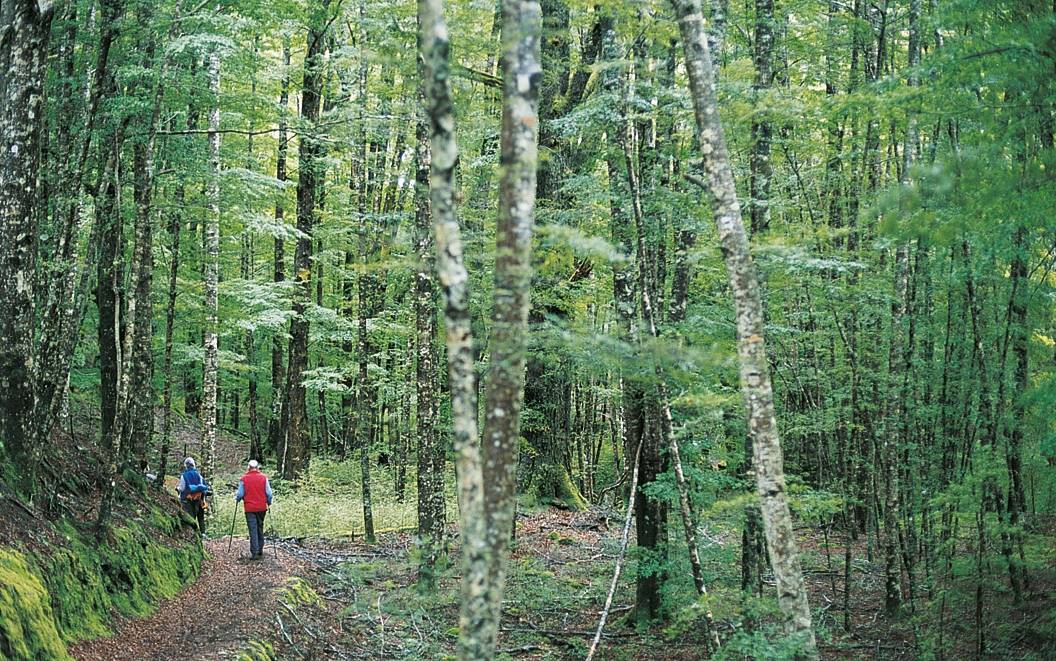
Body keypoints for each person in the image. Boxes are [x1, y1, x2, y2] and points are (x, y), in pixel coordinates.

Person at [235, 459, 273, 560]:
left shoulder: (244, 479)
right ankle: (260, 549)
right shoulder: (264, 478)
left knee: (253, 529)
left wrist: (237, 499)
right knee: (260, 527)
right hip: (261, 507)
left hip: (250, 508)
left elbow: (240, 494)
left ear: (249, 467)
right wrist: (269, 502)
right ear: (257, 468)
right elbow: (269, 493)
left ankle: (255, 551)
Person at [176, 457, 210, 537]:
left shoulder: (184, 476)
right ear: (193, 465)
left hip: (188, 500)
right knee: (200, 518)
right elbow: (204, 487)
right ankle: (203, 533)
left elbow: (182, 488)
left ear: (186, 465)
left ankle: (192, 534)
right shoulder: (199, 475)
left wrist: (177, 489)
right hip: (199, 500)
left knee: (191, 517)